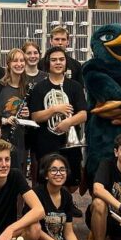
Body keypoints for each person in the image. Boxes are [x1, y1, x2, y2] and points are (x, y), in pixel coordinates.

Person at [28, 152, 96, 240]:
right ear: (46, 174)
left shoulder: (66, 195)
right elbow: (33, 229)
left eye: (62, 169)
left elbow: (68, 232)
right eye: (53, 170)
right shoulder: (36, 193)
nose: (58, 173)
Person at [27, 46, 88, 187]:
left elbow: (83, 114)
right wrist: (55, 109)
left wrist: (69, 122)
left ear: (66, 63)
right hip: (46, 143)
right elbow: (35, 116)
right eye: (54, 60)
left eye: (61, 59)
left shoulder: (75, 86)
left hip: (70, 142)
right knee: (47, 181)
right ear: (48, 63)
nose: (58, 63)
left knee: (71, 184)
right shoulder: (39, 88)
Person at [0, 48, 32, 173]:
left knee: (17, 173)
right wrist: (5, 120)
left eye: (22, 61)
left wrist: (28, 114)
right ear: (8, 64)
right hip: (1, 137)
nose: (19, 64)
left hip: (20, 139)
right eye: (15, 61)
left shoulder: (28, 88)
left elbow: (33, 116)